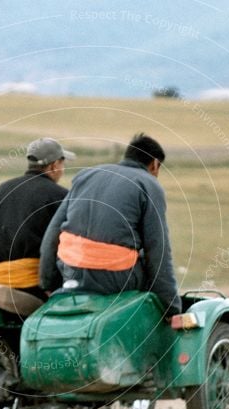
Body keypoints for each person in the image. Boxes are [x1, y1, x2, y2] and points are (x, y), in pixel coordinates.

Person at [39, 133, 182, 315]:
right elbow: (158, 250)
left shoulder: (86, 175)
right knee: (148, 268)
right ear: (154, 164)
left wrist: (47, 282)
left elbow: (53, 233)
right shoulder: (149, 184)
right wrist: (171, 306)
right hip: (115, 278)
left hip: (69, 272)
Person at [0, 137, 75, 300]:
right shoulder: (59, 196)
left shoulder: (1, 190)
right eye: (62, 164)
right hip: (34, 286)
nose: (62, 169)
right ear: (54, 166)